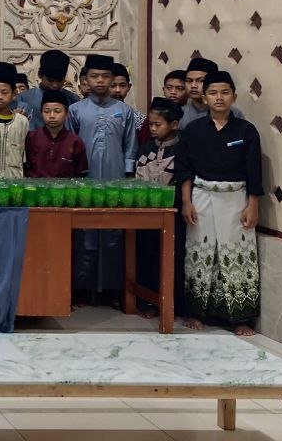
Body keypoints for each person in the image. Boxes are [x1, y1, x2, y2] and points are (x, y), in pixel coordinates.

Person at [176, 71, 261, 336]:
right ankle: (196, 313)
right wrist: (186, 201)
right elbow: (184, 169)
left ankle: (240, 318)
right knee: (200, 254)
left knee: (235, 255)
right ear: (204, 97)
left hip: (236, 200)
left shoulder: (246, 130)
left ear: (234, 96)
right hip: (200, 198)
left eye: (225, 92)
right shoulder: (193, 130)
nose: (219, 97)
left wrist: (253, 205)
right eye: (213, 93)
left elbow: (254, 170)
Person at [68, 54, 138, 305]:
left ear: (112, 79)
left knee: (113, 233)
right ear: (85, 79)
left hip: (115, 180)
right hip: (84, 181)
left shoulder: (124, 111)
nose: (100, 81)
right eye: (94, 76)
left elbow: (130, 146)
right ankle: (81, 289)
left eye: (105, 76)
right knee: (84, 234)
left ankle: (111, 289)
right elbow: (70, 147)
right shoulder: (75, 110)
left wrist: (128, 175)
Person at [134, 97, 186, 318]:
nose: (153, 129)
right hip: (146, 214)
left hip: (174, 215)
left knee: (174, 257)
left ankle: (175, 303)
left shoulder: (183, 149)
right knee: (147, 255)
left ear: (173, 124)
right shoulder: (145, 148)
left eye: (158, 124)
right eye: (151, 124)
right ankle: (148, 301)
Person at [5, 50, 77, 131]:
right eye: (50, 80)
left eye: (59, 80)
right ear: (40, 75)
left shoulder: (73, 100)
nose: (55, 85)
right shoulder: (23, 99)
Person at [24, 89, 88, 178]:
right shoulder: (31, 138)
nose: (52, 116)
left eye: (57, 111)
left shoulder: (75, 141)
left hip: (65, 186)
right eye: (47, 111)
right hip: (35, 186)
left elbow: (81, 174)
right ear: (41, 113)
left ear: (66, 114)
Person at [182, 57, 244, 125]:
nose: (193, 85)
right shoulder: (180, 113)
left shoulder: (235, 114)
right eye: (189, 81)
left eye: (201, 81)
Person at [109, 63, 146, 130]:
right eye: (112, 85)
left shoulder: (138, 120)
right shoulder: (93, 116)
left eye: (122, 85)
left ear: (129, 87)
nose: (118, 90)